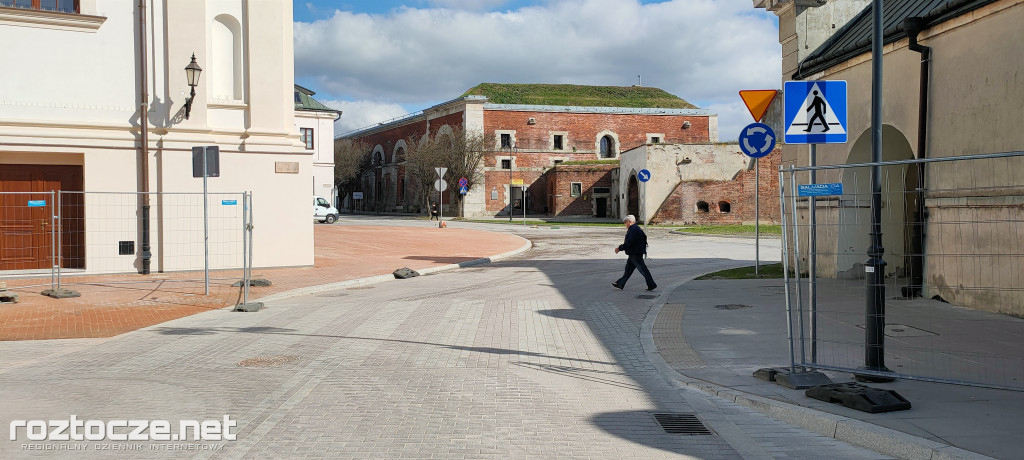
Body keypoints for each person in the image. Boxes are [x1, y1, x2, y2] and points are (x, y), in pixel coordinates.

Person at [612, 215, 656, 291]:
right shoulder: (635, 228)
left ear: (630, 222)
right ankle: (620, 284)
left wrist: (620, 248)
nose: (625, 224)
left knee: (642, 269)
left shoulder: (633, 229)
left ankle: (651, 284)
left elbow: (629, 242)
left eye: (625, 222)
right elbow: (643, 237)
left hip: (635, 253)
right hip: (634, 253)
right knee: (628, 270)